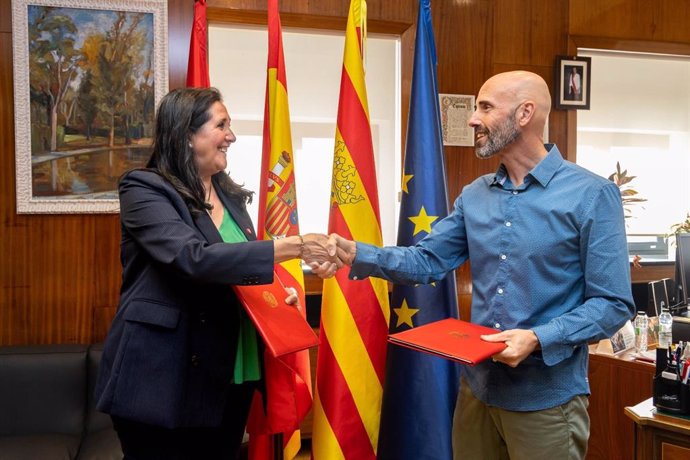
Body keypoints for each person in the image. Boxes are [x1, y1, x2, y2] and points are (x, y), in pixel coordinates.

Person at [317, 71, 635, 460]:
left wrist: (537, 338)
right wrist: (355, 252)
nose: (472, 119)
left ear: (524, 113)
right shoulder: (475, 195)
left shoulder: (592, 195)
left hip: (546, 404)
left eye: (485, 107)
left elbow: (613, 304)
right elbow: (428, 260)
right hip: (477, 393)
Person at [94, 87, 333, 460]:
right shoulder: (144, 189)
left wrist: (277, 297)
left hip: (230, 372)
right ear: (187, 134)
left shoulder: (232, 198)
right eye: (221, 125)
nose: (231, 137)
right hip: (162, 375)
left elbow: (241, 271)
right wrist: (294, 245)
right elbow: (194, 259)